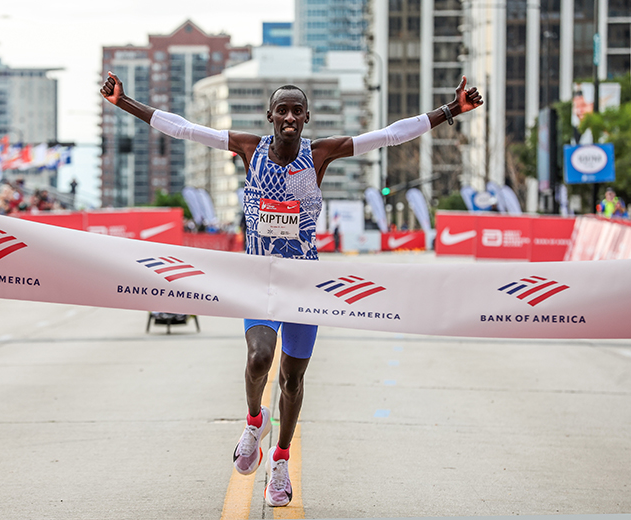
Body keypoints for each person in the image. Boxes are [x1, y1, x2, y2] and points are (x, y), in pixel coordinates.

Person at [100, 71, 483, 507]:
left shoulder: (320, 155)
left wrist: (452, 110)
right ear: (269, 116)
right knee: (259, 356)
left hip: (304, 284)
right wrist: (124, 102)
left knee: (292, 379)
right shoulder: (249, 149)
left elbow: (390, 135)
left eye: (296, 110)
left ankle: (279, 460)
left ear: (305, 118)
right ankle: (252, 422)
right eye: (281, 109)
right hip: (258, 279)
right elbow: (186, 128)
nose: (288, 116)